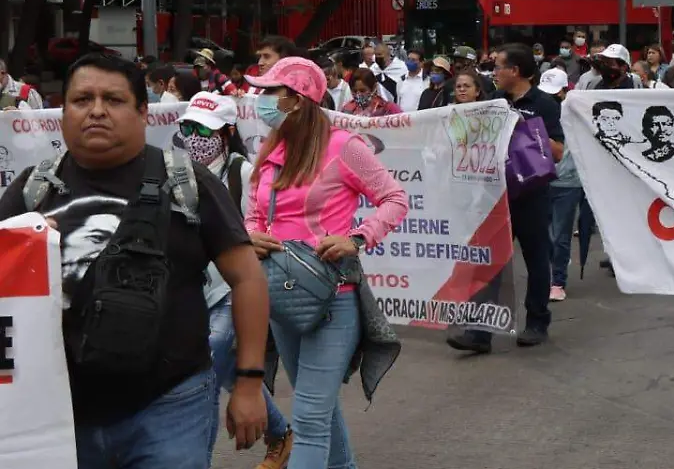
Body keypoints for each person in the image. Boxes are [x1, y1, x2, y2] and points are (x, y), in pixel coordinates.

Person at [0, 54, 270, 469]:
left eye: (113, 99)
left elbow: (247, 278)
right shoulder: (31, 192)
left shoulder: (188, 183)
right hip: (60, 414)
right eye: (81, 99)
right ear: (63, 111)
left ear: (143, 112)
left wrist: (249, 383)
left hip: (170, 405)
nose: (96, 111)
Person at [243, 57, 406, 469]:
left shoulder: (343, 146)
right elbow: (254, 214)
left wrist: (357, 238)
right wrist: (251, 237)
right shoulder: (270, 149)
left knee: (310, 420)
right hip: (279, 296)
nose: (260, 100)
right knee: (318, 408)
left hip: (332, 298)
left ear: (295, 100)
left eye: (269, 92)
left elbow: (394, 199)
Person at [178, 93, 294, 468]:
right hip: (193, 289)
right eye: (188, 127)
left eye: (204, 130)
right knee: (227, 369)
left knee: (207, 370)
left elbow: (262, 224)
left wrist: (247, 238)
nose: (195, 136)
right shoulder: (174, 170)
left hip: (233, 288)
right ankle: (281, 434)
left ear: (227, 132)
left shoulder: (243, 172)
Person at [447, 43, 564, 352]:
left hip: (532, 195)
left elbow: (558, 153)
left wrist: (524, 127)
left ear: (515, 71)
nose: (494, 72)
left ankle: (537, 322)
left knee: (536, 259)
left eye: (498, 67)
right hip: (496, 193)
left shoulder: (545, 104)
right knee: (489, 261)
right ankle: (479, 332)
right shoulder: (495, 100)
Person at [539, 68, 578, 302]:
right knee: (544, 235)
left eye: (556, 94)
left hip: (569, 182)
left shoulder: (574, 111)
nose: (551, 98)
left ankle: (558, 281)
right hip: (543, 179)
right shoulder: (541, 109)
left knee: (561, 234)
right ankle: (552, 270)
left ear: (565, 91)